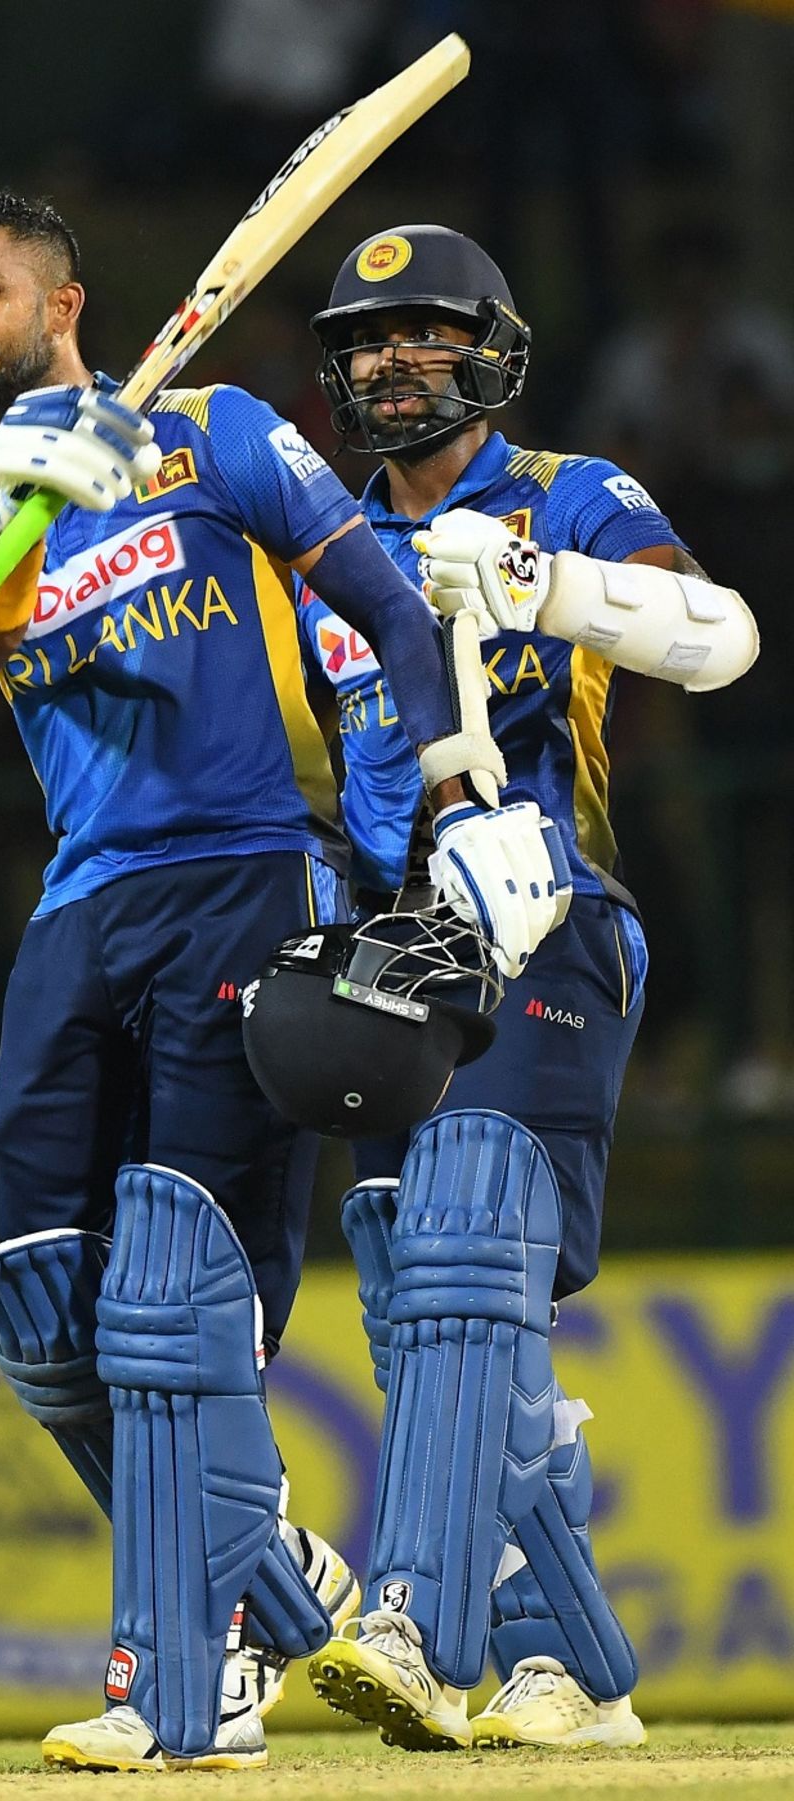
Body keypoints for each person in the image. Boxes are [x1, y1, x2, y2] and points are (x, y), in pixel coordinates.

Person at [0, 188, 566, 1772]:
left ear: (65, 304)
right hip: (82, 905)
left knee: (181, 1286)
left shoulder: (214, 433)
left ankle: (186, 1676)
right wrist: (28, 507)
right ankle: (272, 1571)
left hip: (248, 880)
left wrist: (461, 789)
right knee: (36, 1297)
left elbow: (391, 614)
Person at [292, 224, 757, 1751]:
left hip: (554, 912)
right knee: (427, 1305)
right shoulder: (322, 554)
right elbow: (322, 778)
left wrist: (545, 584)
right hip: (394, 957)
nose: (390, 360)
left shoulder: (572, 493)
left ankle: (417, 1619)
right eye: (364, 340)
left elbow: (722, 640)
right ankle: (572, 1657)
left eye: (423, 331)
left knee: (464, 1253)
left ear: (491, 346)